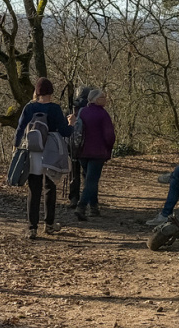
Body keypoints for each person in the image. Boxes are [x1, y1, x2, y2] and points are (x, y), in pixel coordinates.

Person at [14, 77, 75, 239]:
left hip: (33, 151)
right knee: (50, 187)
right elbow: (65, 132)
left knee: (33, 190)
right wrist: (72, 124)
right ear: (51, 91)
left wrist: (16, 145)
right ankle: (49, 224)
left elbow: (20, 128)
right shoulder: (55, 109)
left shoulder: (29, 107)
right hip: (51, 151)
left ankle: (32, 227)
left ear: (37, 91)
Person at [73, 88, 116, 221]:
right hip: (98, 153)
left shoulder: (82, 112)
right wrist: (108, 148)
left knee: (89, 179)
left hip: (82, 153)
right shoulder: (103, 114)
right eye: (103, 97)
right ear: (97, 100)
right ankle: (81, 206)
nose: (106, 99)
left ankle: (94, 207)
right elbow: (109, 136)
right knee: (91, 181)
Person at [67, 85, 93, 208]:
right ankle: (87, 199)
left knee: (74, 173)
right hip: (87, 147)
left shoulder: (72, 108)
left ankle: (74, 198)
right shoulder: (91, 109)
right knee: (87, 174)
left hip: (73, 147)